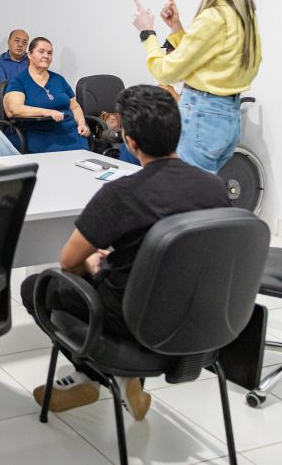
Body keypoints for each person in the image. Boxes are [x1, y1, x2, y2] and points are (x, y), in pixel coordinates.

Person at [20, 85, 231, 420]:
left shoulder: (122, 193)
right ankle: (115, 380)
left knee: (37, 287)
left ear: (129, 141)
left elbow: (69, 262)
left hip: (132, 322)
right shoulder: (216, 187)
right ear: (178, 132)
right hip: (201, 322)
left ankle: (95, 374)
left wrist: (93, 263)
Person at [131, 0, 261, 173]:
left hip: (203, 116)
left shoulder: (214, 17)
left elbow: (167, 72)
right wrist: (177, 28)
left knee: (187, 197)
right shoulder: (243, 16)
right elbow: (207, 62)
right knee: (204, 195)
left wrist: (147, 33)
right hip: (227, 119)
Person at [3, 37, 89, 153]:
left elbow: (74, 106)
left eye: (50, 53)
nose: (46, 56)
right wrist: (47, 112)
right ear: (30, 54)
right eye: (41, 51)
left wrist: (82, 124)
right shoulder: (19, 81)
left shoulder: (59, 79)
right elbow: (13, 110)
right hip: (38, 136)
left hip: (71, 134)